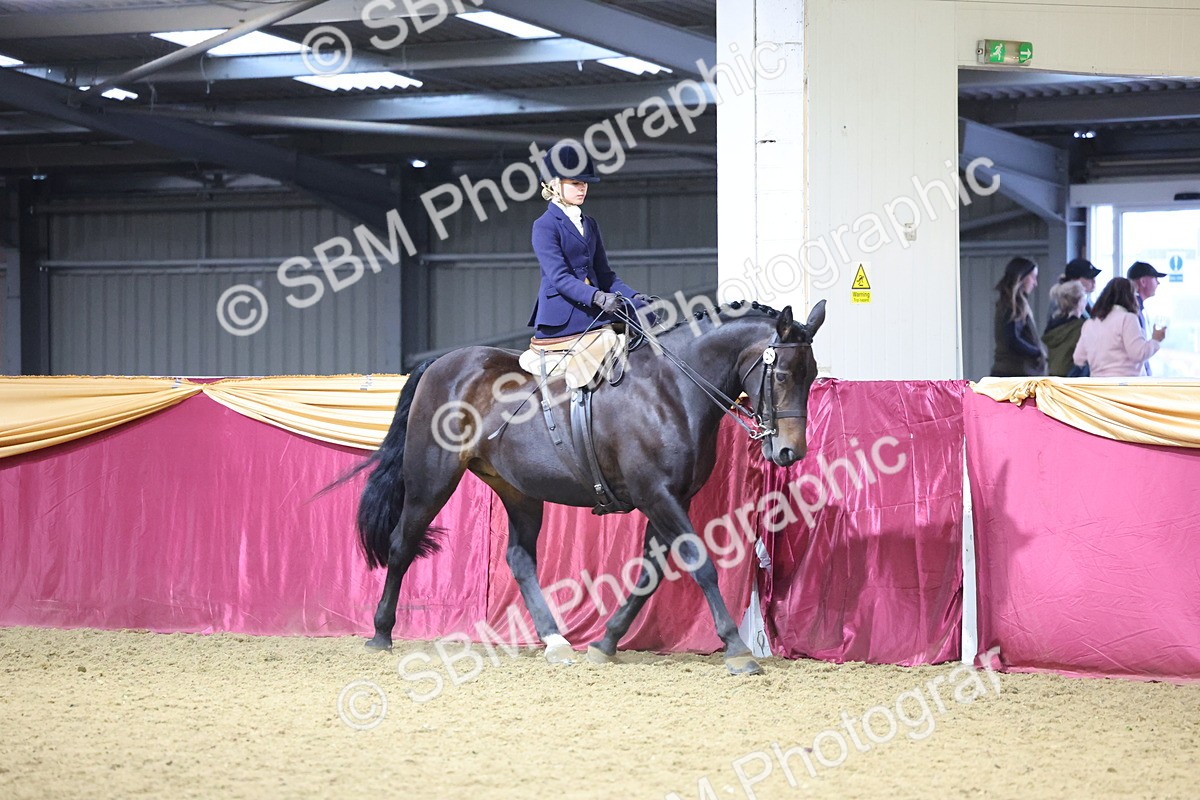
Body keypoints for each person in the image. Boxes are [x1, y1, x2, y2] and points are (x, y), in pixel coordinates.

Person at [527, 145, 649, 340]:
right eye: (575, 183)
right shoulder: (544, 225)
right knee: (611, 338)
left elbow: (605, 274)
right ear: (555, 185)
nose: (582, 188)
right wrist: (597, 297)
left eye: (585, 183)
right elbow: (560, 277)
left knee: (646, 314)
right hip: (564, 313)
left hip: (595, 308)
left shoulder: (589, 224)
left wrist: (634, 296)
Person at [1072, 277, 1165, 378]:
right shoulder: (1127, 319)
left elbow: (1078, 358)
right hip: (1123, 386)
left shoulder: (1089, 324)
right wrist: (1155, 340)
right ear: (1130, 297)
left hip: (1097, 386)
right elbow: (1138, 353)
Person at [991, 256, 1047, 377]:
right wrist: (1037, 352)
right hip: (1015, 373)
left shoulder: (1009, 303)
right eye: (1033, 277)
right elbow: (1012, 339)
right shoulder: (1014, 305)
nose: (1035, 283)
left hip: (1010, 371)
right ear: (1021, 277)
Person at [1042, 279, 1088, 377]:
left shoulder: (1053, 327)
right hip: (1073, 378)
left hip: (1053, 377)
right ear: (1080, 301)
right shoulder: (1081, 327)